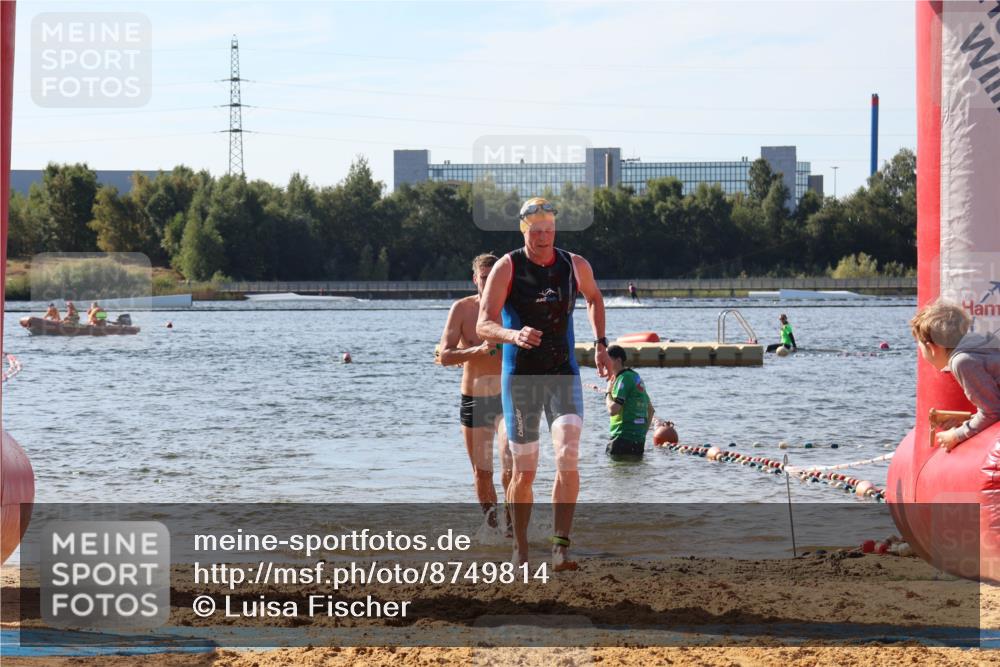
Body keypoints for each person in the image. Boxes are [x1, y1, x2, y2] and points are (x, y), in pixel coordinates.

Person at [477, 196, 610, 570]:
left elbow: (595, 298)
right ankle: (520, 546)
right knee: (525, 470)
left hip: (563, 373)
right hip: (521, 377)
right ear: (525, 230)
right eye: (536, 231)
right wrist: (512, 334)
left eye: (549, 230)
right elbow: (483, 323)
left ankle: (560, 547)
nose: (543, 237)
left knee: (568, 455)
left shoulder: (574, 264)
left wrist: (600, 343)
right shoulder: (507, 267)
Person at [438, 253, 512, 531]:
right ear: (475, 279)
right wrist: (477, 350)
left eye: (495, 278)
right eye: (484, 278)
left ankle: (513, 525)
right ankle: (492, 528)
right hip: (474, 399)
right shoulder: (462, 309)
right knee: (482, 472)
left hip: (508, 398)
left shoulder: (513, 309)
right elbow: (445, 355)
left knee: (511, 464)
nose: (489, 283)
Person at [910, 301, 1000, 452]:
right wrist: (968, 420)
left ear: (932, 347)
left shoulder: (962, 361)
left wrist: (956, 435)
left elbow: (993, 411)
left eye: (920, 348)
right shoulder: (979, 345)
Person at [604, 345, 653, 459]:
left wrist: (607, 393)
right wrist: (641, 436)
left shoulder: (623, 379)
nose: (604, 363)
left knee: (615, 475)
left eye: (607, 360)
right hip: (638, 442)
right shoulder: (636, 378)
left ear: (618, 360)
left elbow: (613, 410)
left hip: (621, 439)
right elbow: (650, 410)